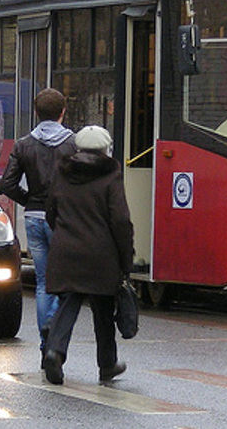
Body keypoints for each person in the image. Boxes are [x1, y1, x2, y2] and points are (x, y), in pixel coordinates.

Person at [42, 125, 134, 385]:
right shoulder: (111, 175)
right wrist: (126, 258)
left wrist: (63, 234)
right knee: (103, 309)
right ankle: (107, 365)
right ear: (106, 150)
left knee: (68, 302)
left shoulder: (63, 171)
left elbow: (51, 210)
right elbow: (121, 220)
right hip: (101, 254)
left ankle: (54, 352)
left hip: (66, 249)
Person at [0, 88, 77, 366]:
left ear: (36, 112)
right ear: (62, 112)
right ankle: (54, 323)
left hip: (33, 217)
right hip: (64, 220)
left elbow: (7, 184)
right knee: (66, 280)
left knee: (43, 281)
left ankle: (45, 344)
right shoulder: (73, 144)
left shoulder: (23, 144)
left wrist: (30, 200)